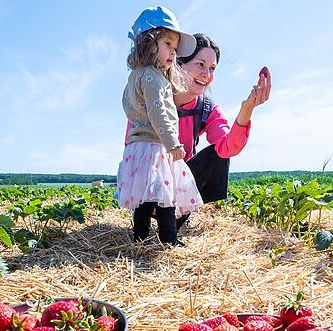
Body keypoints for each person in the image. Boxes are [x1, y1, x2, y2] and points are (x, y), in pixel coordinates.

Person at [115, 7, 204, 246]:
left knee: (145, 196)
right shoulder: (154, 78)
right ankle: (169, 238)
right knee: (166, 195)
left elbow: (128, 106)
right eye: (167, 44)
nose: (173, 54)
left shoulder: (135, 76)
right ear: (148, 42)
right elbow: (158, 113)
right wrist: (172, 143)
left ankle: (140, 236)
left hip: (137, 146)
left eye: (175, 49)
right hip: (155, 145)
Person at [173, 33, 271, 229]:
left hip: (180, 183)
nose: (207, 75)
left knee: (217, 155)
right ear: (180, 64)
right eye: (200, 64)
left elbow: (228, 148)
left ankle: (178, 215)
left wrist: (247, 110)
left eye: (212, 68)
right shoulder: (154, 97)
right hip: (151, 182)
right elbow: (134, 145)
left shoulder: (207, 107)